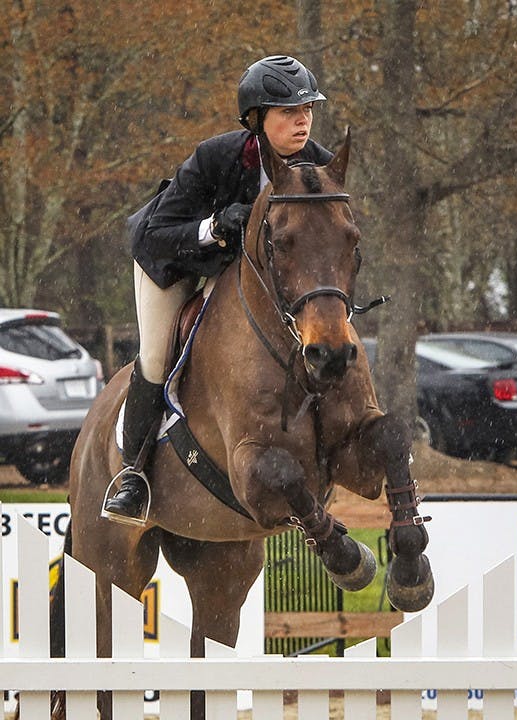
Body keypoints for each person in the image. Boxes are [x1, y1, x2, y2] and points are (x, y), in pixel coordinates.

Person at [104, 55, 332, 523]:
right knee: (155, 357)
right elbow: (154, 235)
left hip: (245, 276)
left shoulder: (319, 165)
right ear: (256, 119)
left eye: (307, 108)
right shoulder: (216, 157)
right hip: (176, 263)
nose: (302, 119)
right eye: (289, 110)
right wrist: (213, 227)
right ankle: (132, 475)